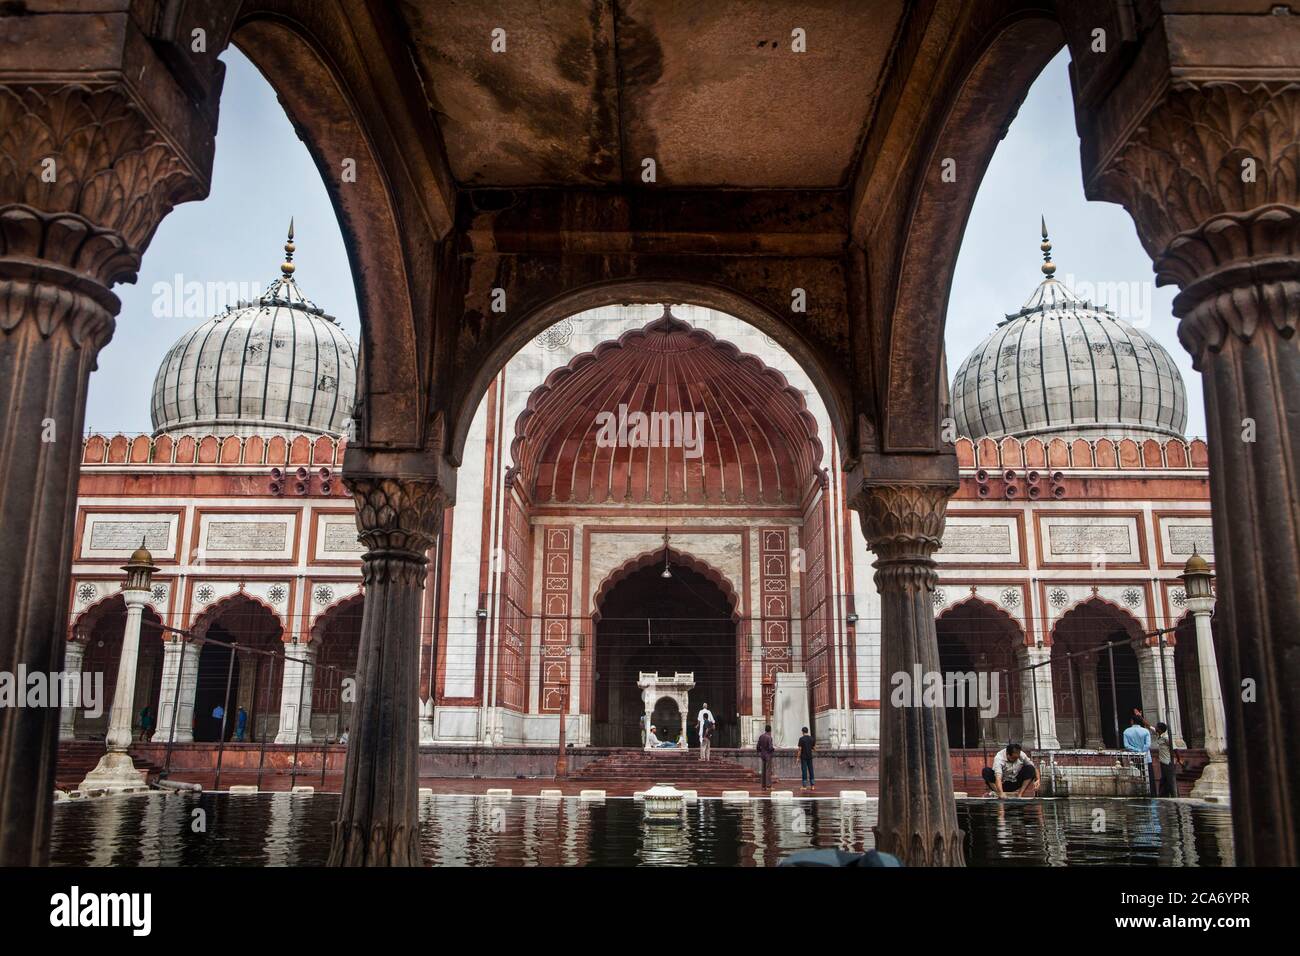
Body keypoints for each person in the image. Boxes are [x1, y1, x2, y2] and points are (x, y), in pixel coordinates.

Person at [1123, 713, 1156, 795]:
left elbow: (1127, 745)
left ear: (1132, 721)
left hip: (1134, 758)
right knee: (1149, 778)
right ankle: (1151, 794)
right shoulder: (1145, 731)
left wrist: (1137, 752)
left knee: (1135, 777)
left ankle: (1137, 794)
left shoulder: (1126, 731)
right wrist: (1142, 752)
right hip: (1146, 758)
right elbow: (1148, 745)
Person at [1154, 721, 1180, 797]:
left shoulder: (1166, 737)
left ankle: (1175, 795)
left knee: (1170, 780)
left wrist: (1178, 759)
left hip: (1168, 762)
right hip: (1163, 762)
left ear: (1160, 729)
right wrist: (1140, 717)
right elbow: (1149, 726)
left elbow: (1175, 749)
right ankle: (1164, 795)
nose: (1155, 728)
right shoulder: (1159, 736)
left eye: (1157, 727)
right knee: (1164, 780)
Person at [757, 724, 775, 789]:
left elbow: (758, 746)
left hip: (762, 755)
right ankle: (769, 786)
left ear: (765, 729)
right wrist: (773, 750)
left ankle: (763, 786)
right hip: (768, 755)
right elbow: (770, 747)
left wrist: (760, 751)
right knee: (768, 770)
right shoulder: (769, 737)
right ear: (770, 730)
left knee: (763, 770)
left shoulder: (761, 736)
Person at [797, 726, 815, 791]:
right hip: (810, 756)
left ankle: (804, 786)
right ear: (807, 731)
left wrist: (798, 757)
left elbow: (799, 749)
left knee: (804, 771)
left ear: (802, 732)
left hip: (803, 757)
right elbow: (814, 748)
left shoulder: (801, 739)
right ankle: (812, 785)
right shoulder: (812, 738)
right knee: (811, 770)